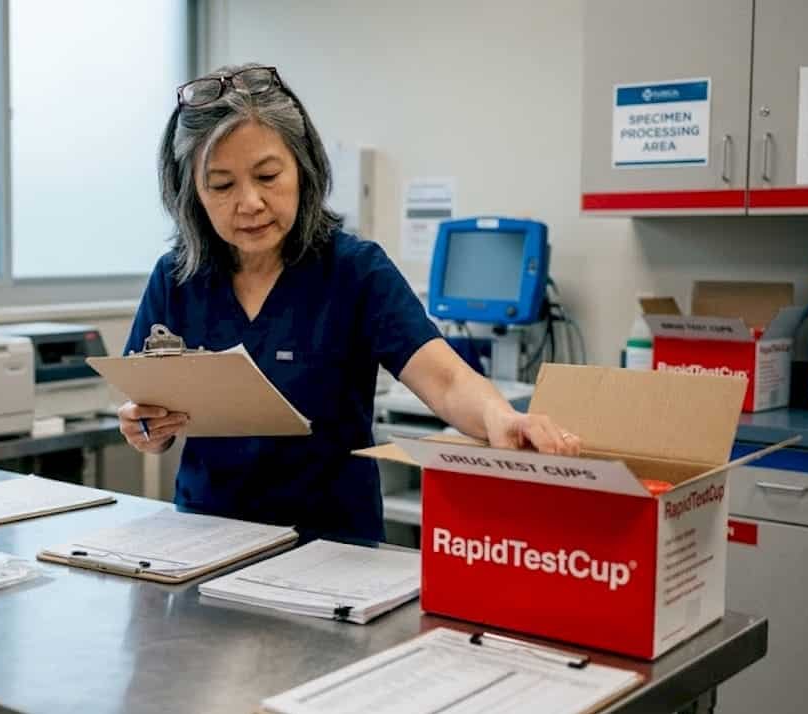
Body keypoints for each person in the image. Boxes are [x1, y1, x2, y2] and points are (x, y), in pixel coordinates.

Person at [118, 64, 579, 541]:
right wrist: (144, 428)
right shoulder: (177, 279)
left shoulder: (354, 270)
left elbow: (445, 379)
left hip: (332, 544)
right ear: (192, 193)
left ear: (303, 169)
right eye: (221, 185)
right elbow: (151, 416)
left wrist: (499, 417)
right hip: (206, 537)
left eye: (268, 175)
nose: (250, 201)